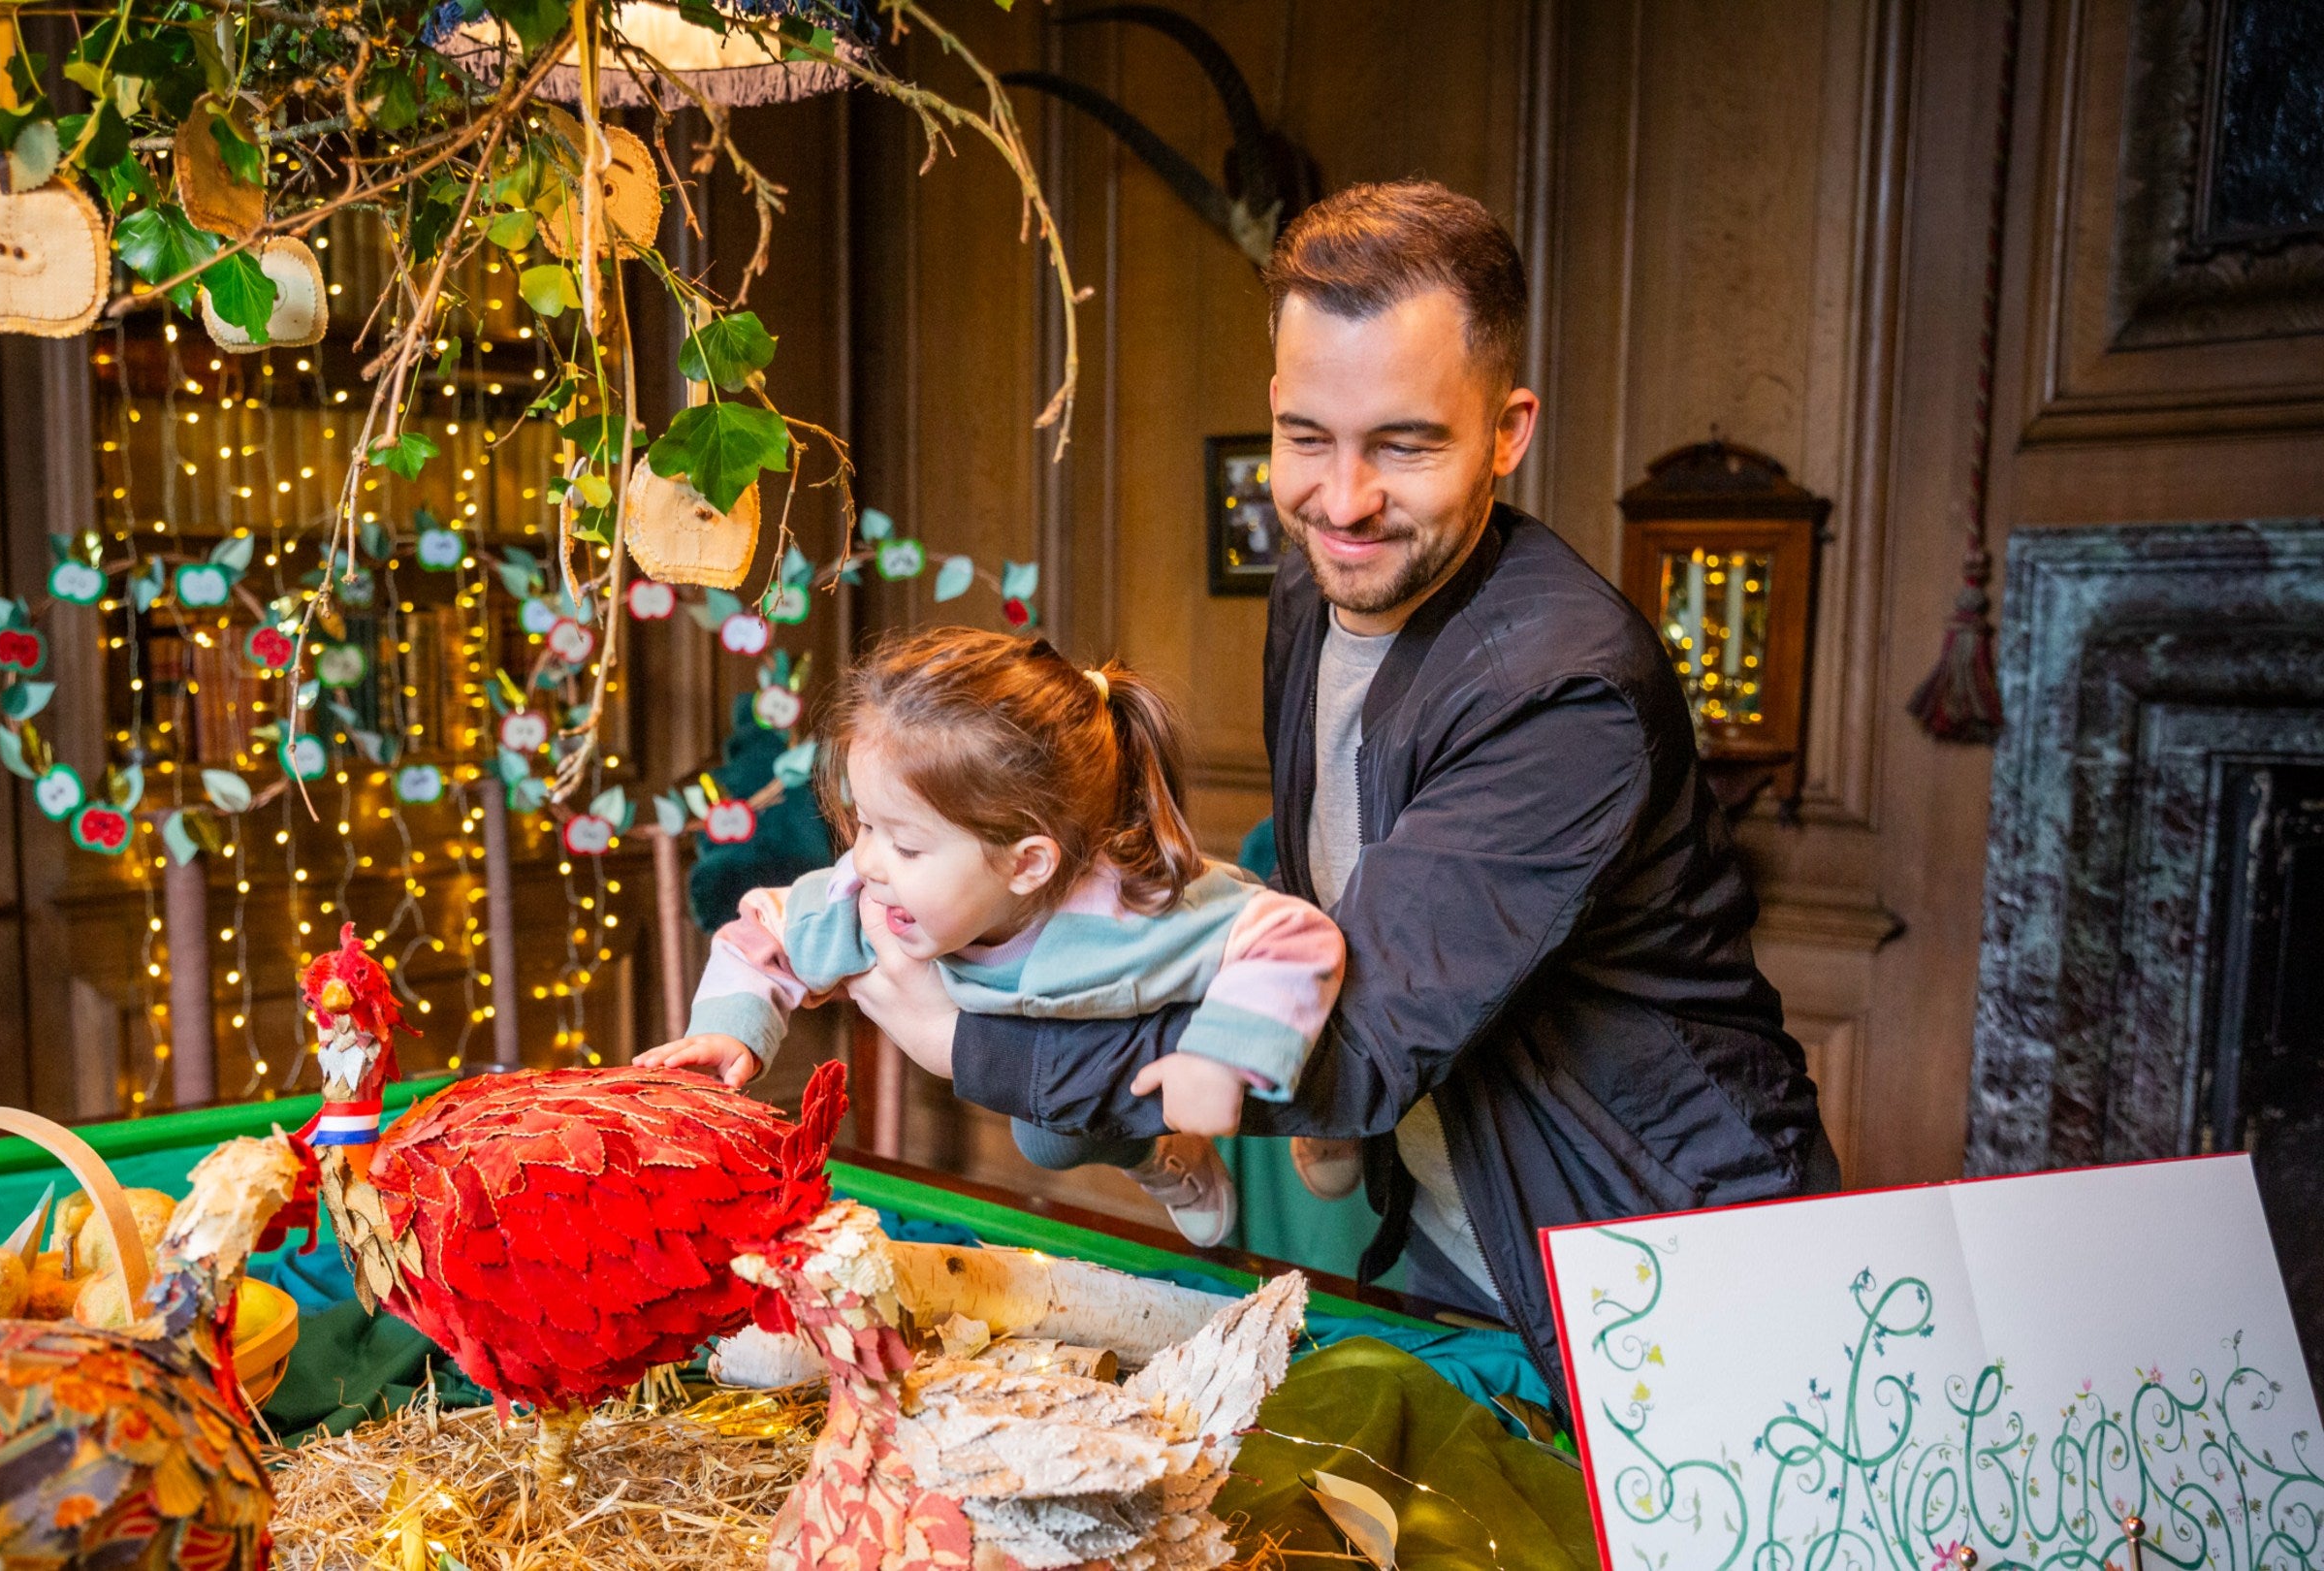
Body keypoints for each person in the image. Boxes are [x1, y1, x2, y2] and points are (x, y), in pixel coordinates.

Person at [839, 180, 1839, 1396]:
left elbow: (1356, 1043)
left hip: (1663, 1261)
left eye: (1406, 445)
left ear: (1508, 430)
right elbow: (1331, 898)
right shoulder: (1317, 586)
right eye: (1308, 437)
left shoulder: (1567, 693)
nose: (1345, 498)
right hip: (1450, 1228)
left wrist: (980, 1044)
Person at [638, 627, 1346, 1248]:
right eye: (866, 827)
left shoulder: (1133, 915)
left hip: (1224, 1001)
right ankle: (1166, 1153)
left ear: (1026, 863)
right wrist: (734, 1029)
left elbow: (1296, 937)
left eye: (907, 846)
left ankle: (1328, 1121)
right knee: (1042, 1136)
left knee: (1299, 1047)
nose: (866, 864)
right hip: (1094, 1063)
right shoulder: (870, 896)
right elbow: (766, 926)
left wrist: (1223, 1058)